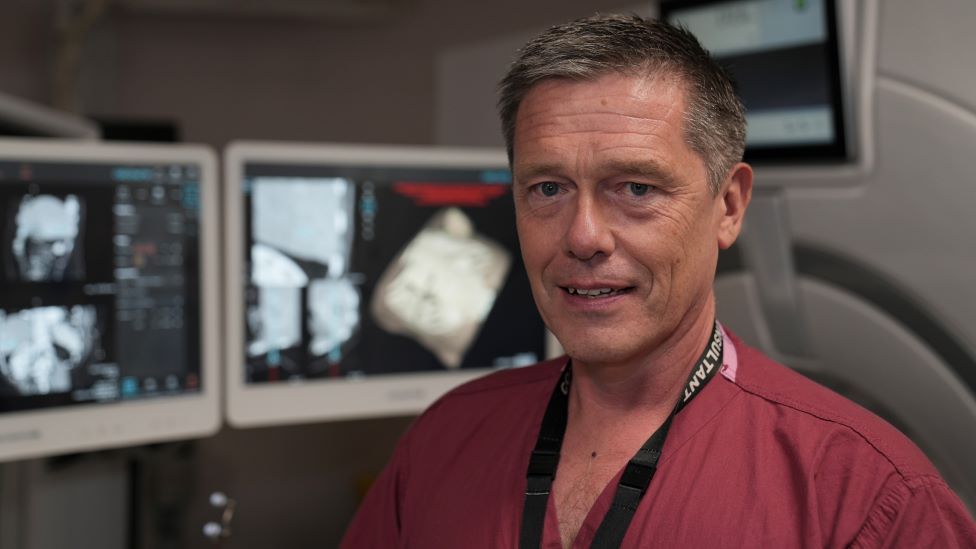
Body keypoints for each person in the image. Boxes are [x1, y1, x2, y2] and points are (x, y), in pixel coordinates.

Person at [341, 14, 976, 548]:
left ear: (728, 206)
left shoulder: (867, 496)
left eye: (636, 188)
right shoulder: (445, 438)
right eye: (548, 189)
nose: (583, 235)